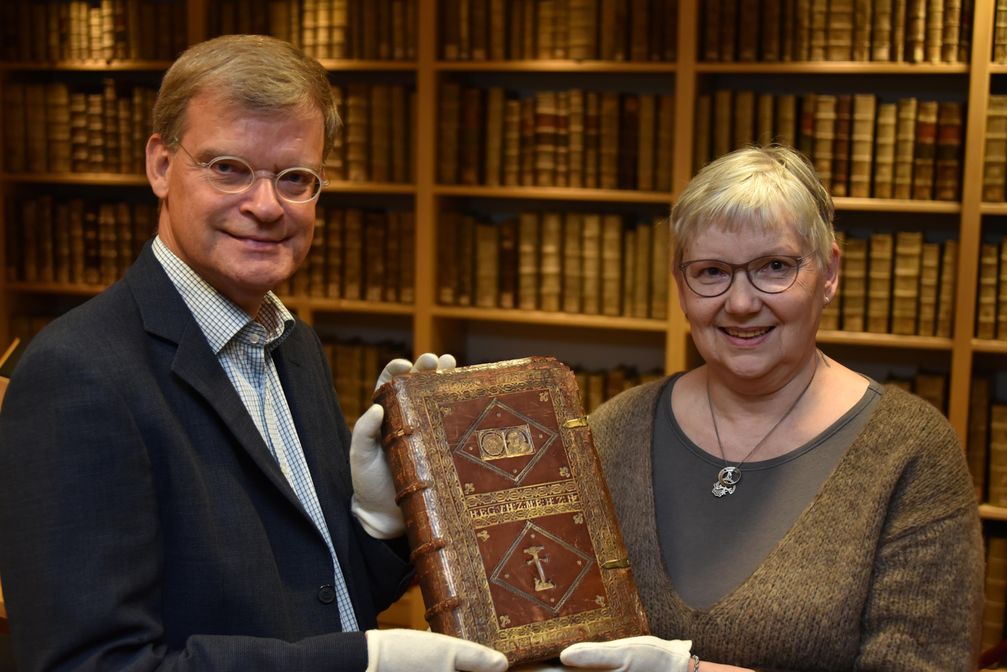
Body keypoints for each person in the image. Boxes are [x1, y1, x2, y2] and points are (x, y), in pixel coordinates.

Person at [0, 34, 507, 672]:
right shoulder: (77, 373)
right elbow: (90, 665)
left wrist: (379, 526)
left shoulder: (295, 346)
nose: (266, 206)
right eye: (228, 168)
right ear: (160, 166)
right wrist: (359, 663)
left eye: (295, 178)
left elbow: (323, 599)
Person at [557, 145, 984, 672]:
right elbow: (530, 616)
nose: (740, 303)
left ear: (828, 273)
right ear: (679, 282)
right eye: (712, 271)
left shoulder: (910, 451)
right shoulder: (611, 430)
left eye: (774, 267)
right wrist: (430, 445)